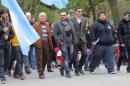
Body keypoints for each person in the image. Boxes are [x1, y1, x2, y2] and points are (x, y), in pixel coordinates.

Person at [53, 11, 75, 78]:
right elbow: (55, 34)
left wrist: (74, 41)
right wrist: (59, 41)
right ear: (60, 16)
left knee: (70, 57)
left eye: (64, 15)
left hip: (71, 43)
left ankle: (61, 69)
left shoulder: (70, 23)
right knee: (65, 57)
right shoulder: (57, 24)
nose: (62, 16)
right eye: (61, 15)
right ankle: (67, 72)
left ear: (66, 16)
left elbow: (73, 32)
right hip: (63, 43)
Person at [33, 12, 53, 79]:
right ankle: (40, 72)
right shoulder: (36, 24)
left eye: (44, 16)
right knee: (39, 59)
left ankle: (42, 70)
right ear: (39, 17)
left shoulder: (47, 24)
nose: (43, 17)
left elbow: (49, 34)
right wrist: (35, 42)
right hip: (39, 43)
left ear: (45, 17)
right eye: (41, 16)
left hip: (46, 43)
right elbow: (33, 33)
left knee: (45, 58)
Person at [71, 7, 87, 75]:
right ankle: (76, 69)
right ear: (76, 12)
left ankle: (80, 67)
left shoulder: (84, 19)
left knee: (85, 53)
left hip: (82, 39)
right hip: (74, 39)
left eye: (81, 11)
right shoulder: (71, 19)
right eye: (78, 11)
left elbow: (84, 30)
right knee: (74, 55)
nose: (80, 13)